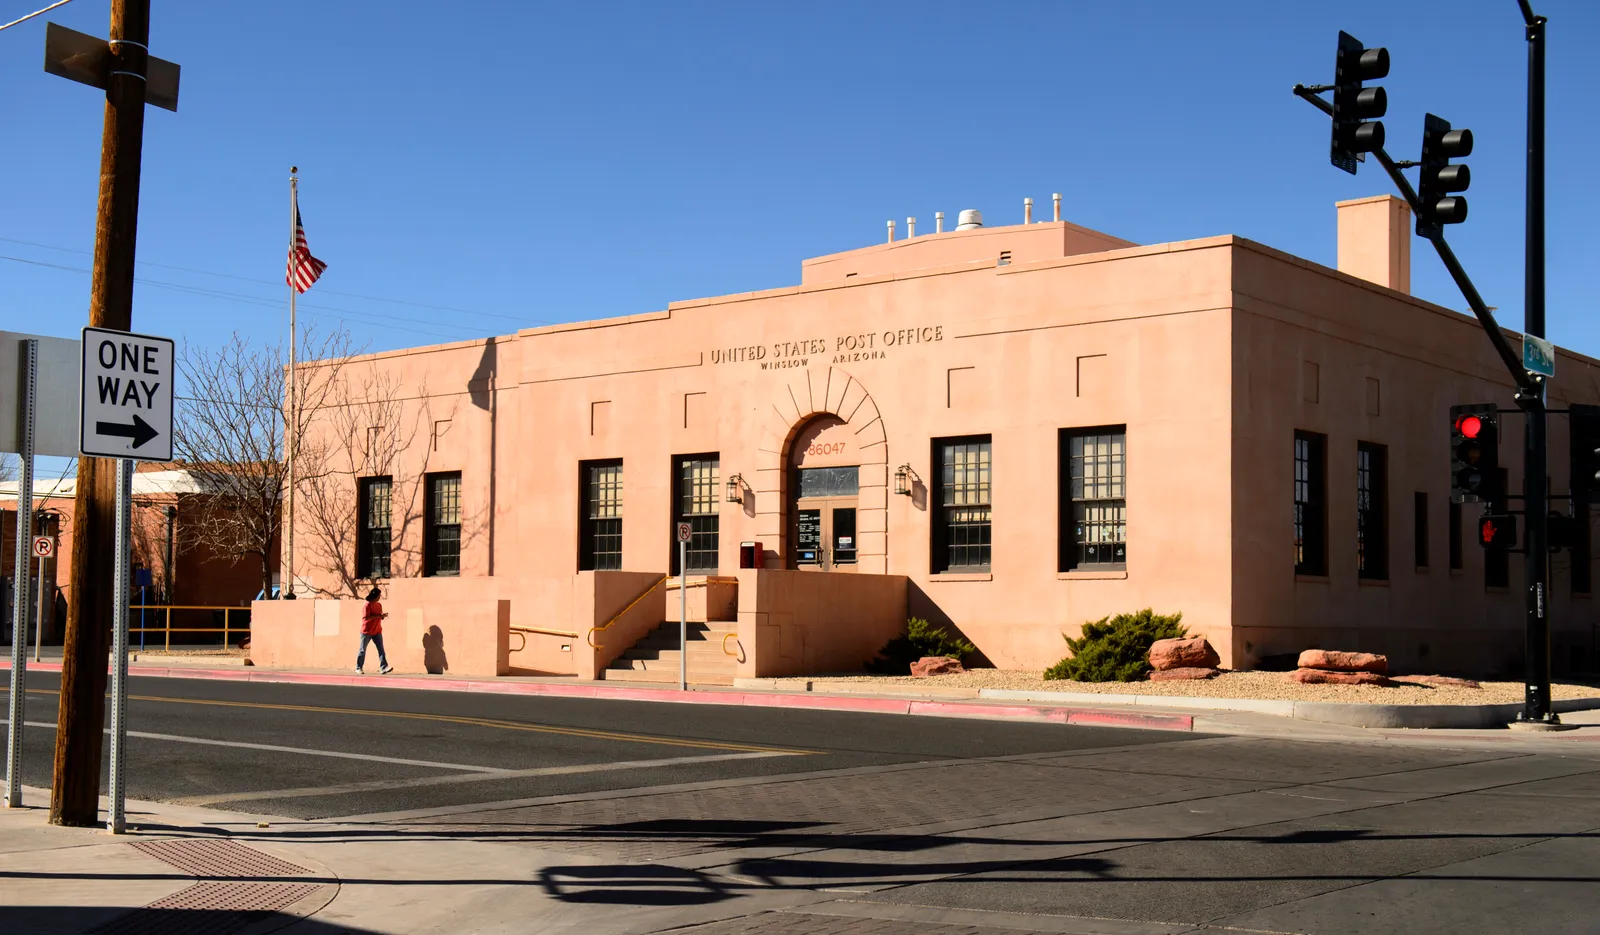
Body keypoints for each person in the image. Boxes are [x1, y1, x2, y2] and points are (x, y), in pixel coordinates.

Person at [357, 587, 392, 674]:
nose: (379, 597)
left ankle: (383, 667)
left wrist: (382, 616)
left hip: (377, 631)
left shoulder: (379, 605)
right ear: (375, 596)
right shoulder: (367, 605)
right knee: (362, 649)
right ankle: (358, 667)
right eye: (378, 596)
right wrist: (378, 616)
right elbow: (366, 617)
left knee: (381, 650)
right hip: (366, 631)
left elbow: (379, 616)